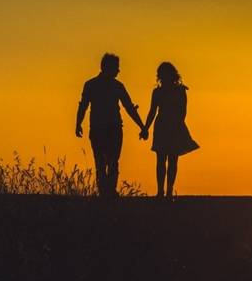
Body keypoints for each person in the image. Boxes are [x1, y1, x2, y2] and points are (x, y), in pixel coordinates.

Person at [75, 53, 146, 197]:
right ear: (109, 68)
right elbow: (129, 107)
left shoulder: (92, 84)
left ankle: (106, 192)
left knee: (103, 162)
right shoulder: (114, 86)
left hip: (101, 128)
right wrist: (142, 126)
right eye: (116, 68)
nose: (118, 71)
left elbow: (83, 106)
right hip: (108, 129)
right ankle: (108, 192)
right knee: (110, 162)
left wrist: (78, 124)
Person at [141, 62, 199, 197]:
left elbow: (183, 111)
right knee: (161, 159)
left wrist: (176, 125)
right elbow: (152, 111)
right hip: (162, 126)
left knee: (172, 159)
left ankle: (169, 191)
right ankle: (161, 191)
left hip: (174, 125)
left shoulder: (180, 91)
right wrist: (145, 128)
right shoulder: (157, 92)